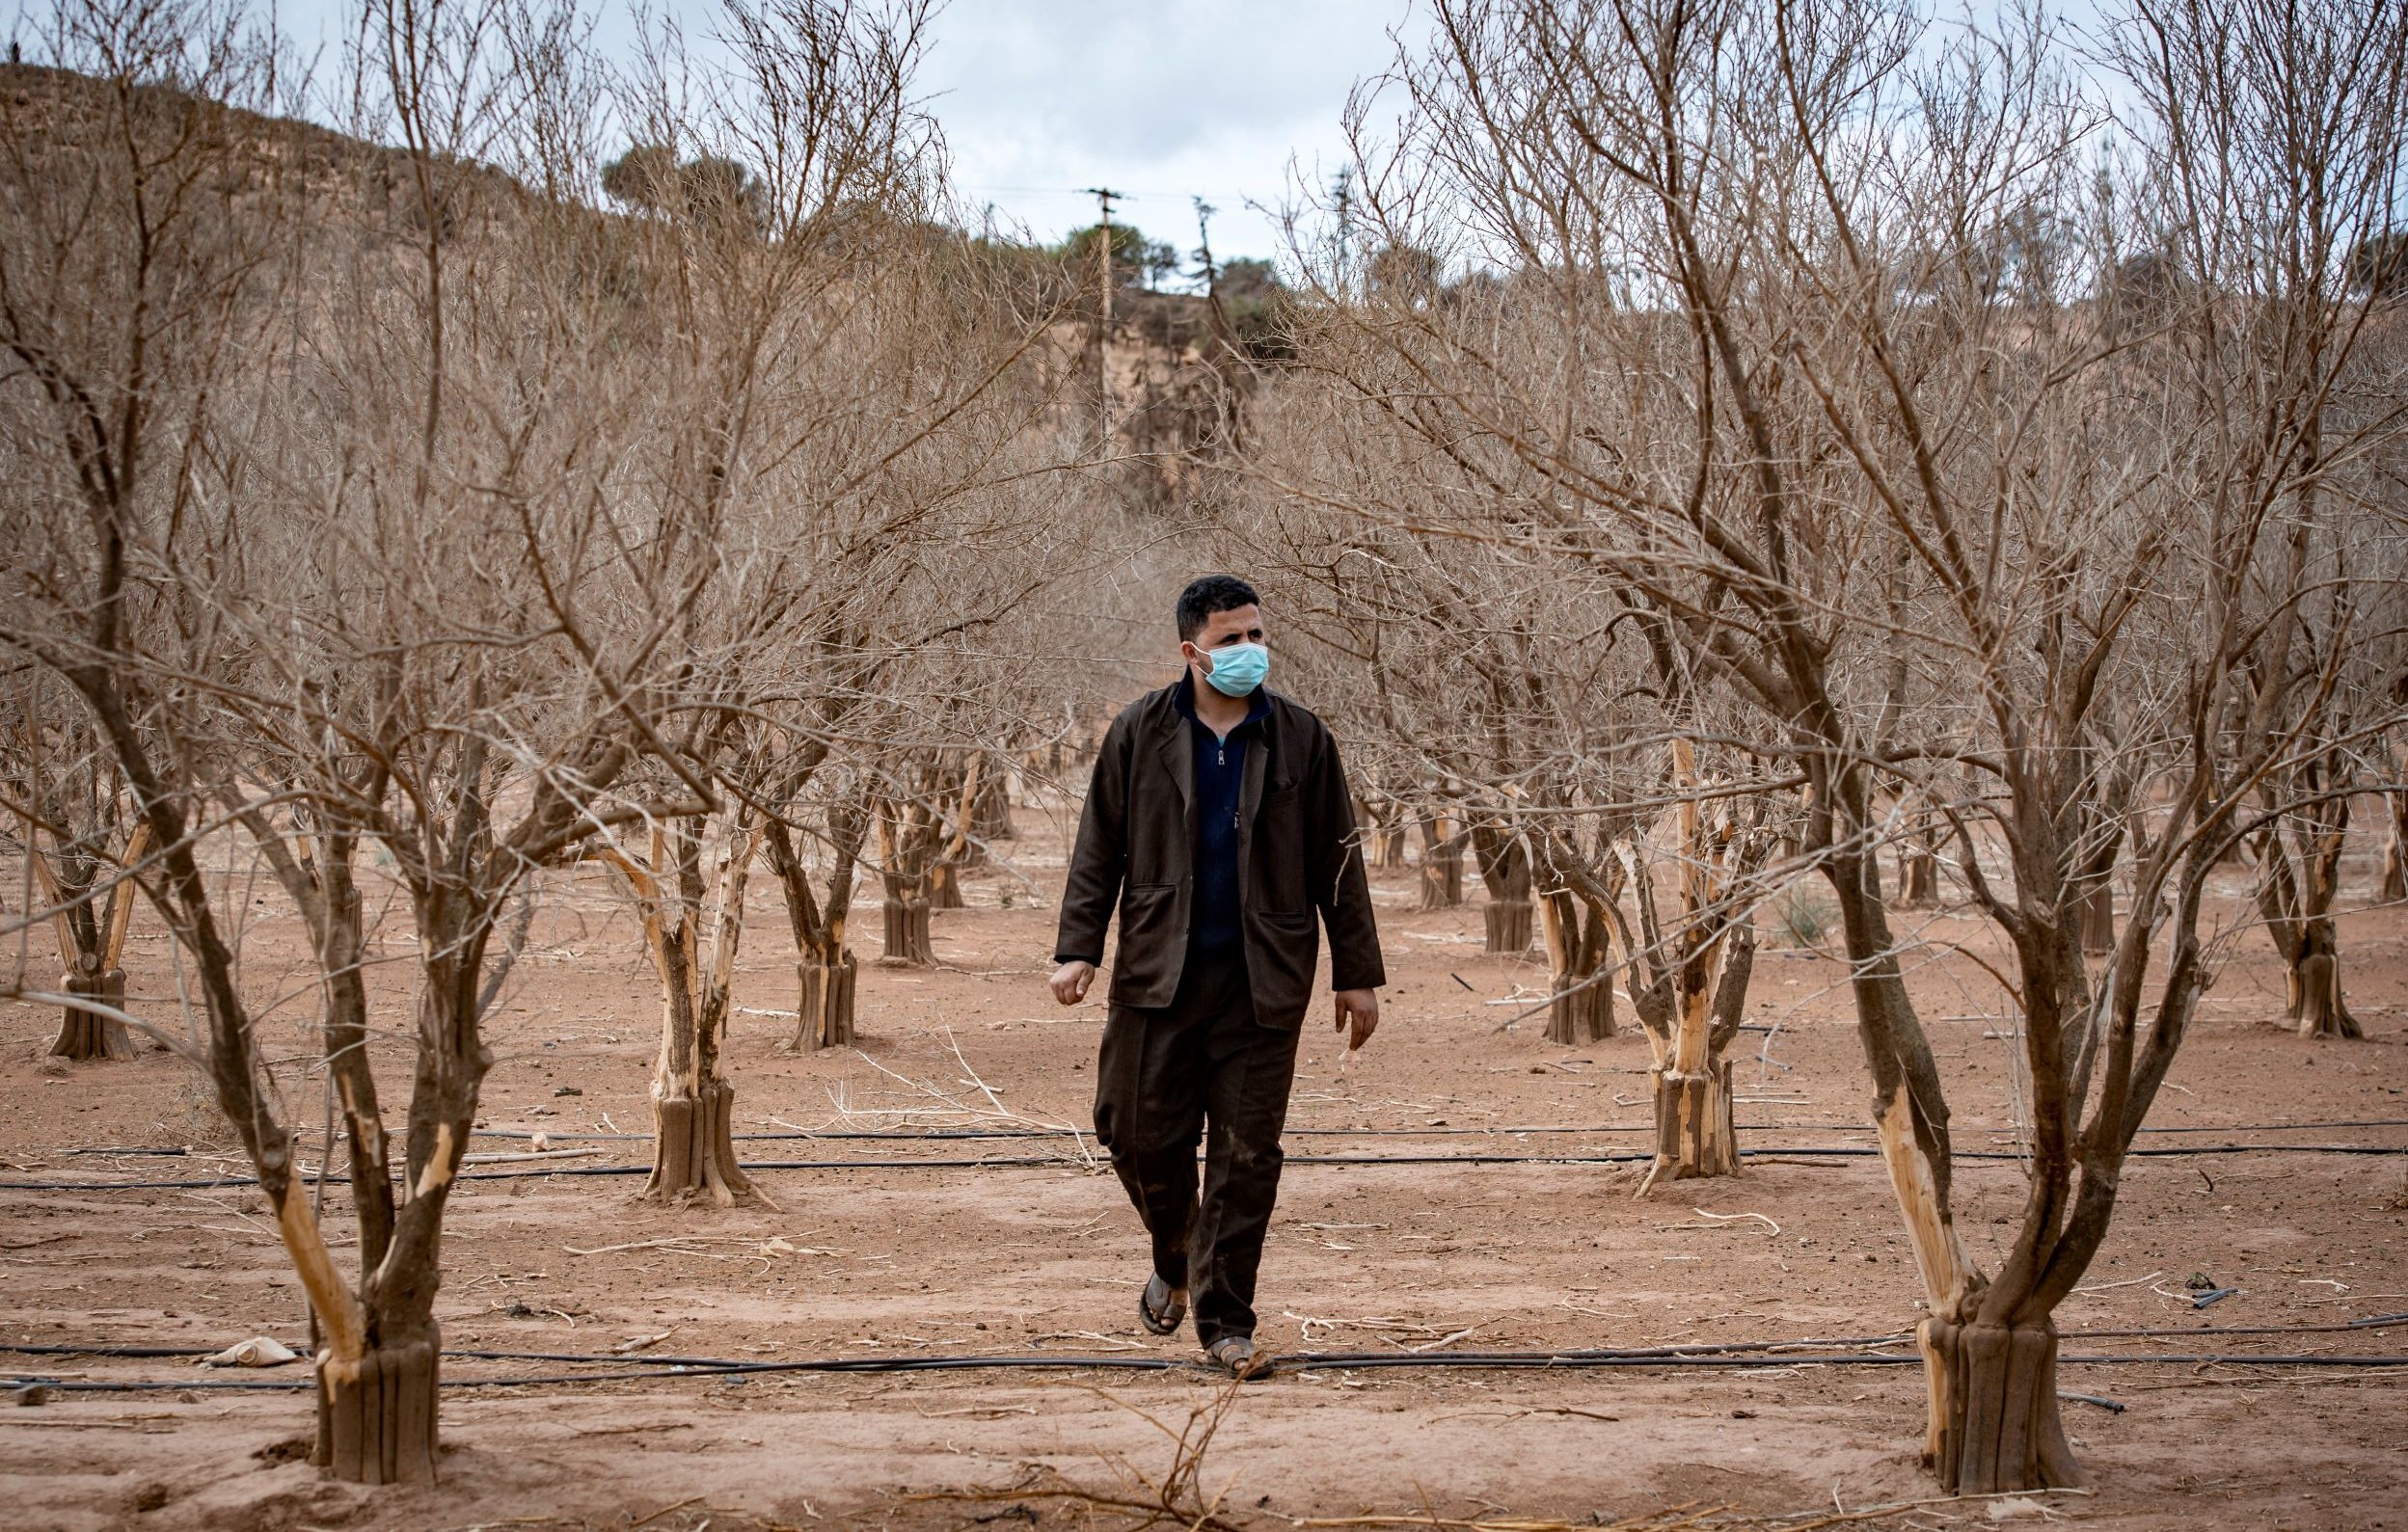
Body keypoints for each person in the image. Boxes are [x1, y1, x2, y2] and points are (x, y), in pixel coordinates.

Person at [1049, 574, 1385, 1377]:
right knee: (1130, 1131)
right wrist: (1078, 947)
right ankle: (1177, 1253)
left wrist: (1356, 971)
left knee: (1246, 1154)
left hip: (1262, 980)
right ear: (1191, 650)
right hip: (1156, 974)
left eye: (1257, 636)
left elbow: (1338, 860)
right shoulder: (1138, 732)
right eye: (1231, 639)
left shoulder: (1302, 737)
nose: (1248, 652)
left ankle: (1225, 1321)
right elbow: (1099, 845)